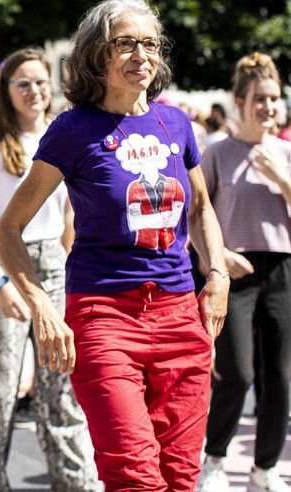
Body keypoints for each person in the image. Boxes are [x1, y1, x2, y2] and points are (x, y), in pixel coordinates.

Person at [0, 0, 230, 489]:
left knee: (181, 476)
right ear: (97, 55)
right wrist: (41, 305)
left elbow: (201, 207)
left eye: (150, 44)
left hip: (181, 318)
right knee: (134, 474)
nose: (141, 55)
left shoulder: (176, 124)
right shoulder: (73, 130)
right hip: (104, 318)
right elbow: (8, 228)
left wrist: (217, 275)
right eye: (126, 43)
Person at [0, 47, 100, 491]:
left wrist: (68, 261)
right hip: (2, 266)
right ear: (7, 90)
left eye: (41, 82)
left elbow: (70, 218)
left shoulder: (65, 136)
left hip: (55, 266)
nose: (34, 91)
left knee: (61, 387)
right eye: (23, 83)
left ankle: (75, 481)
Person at [196, 52, 291, 492]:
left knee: (281, 376)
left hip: (282, 269)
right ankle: (213, 460)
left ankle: (264, 468)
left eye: (275, 98)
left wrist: (282, 178)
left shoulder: (287, 153)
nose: (269, 106)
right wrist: (217, 257)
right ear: (240, 102)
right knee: (237, 372)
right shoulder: (217, 153)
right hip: (232, 269)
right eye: (260, 98)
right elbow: (195, 215)